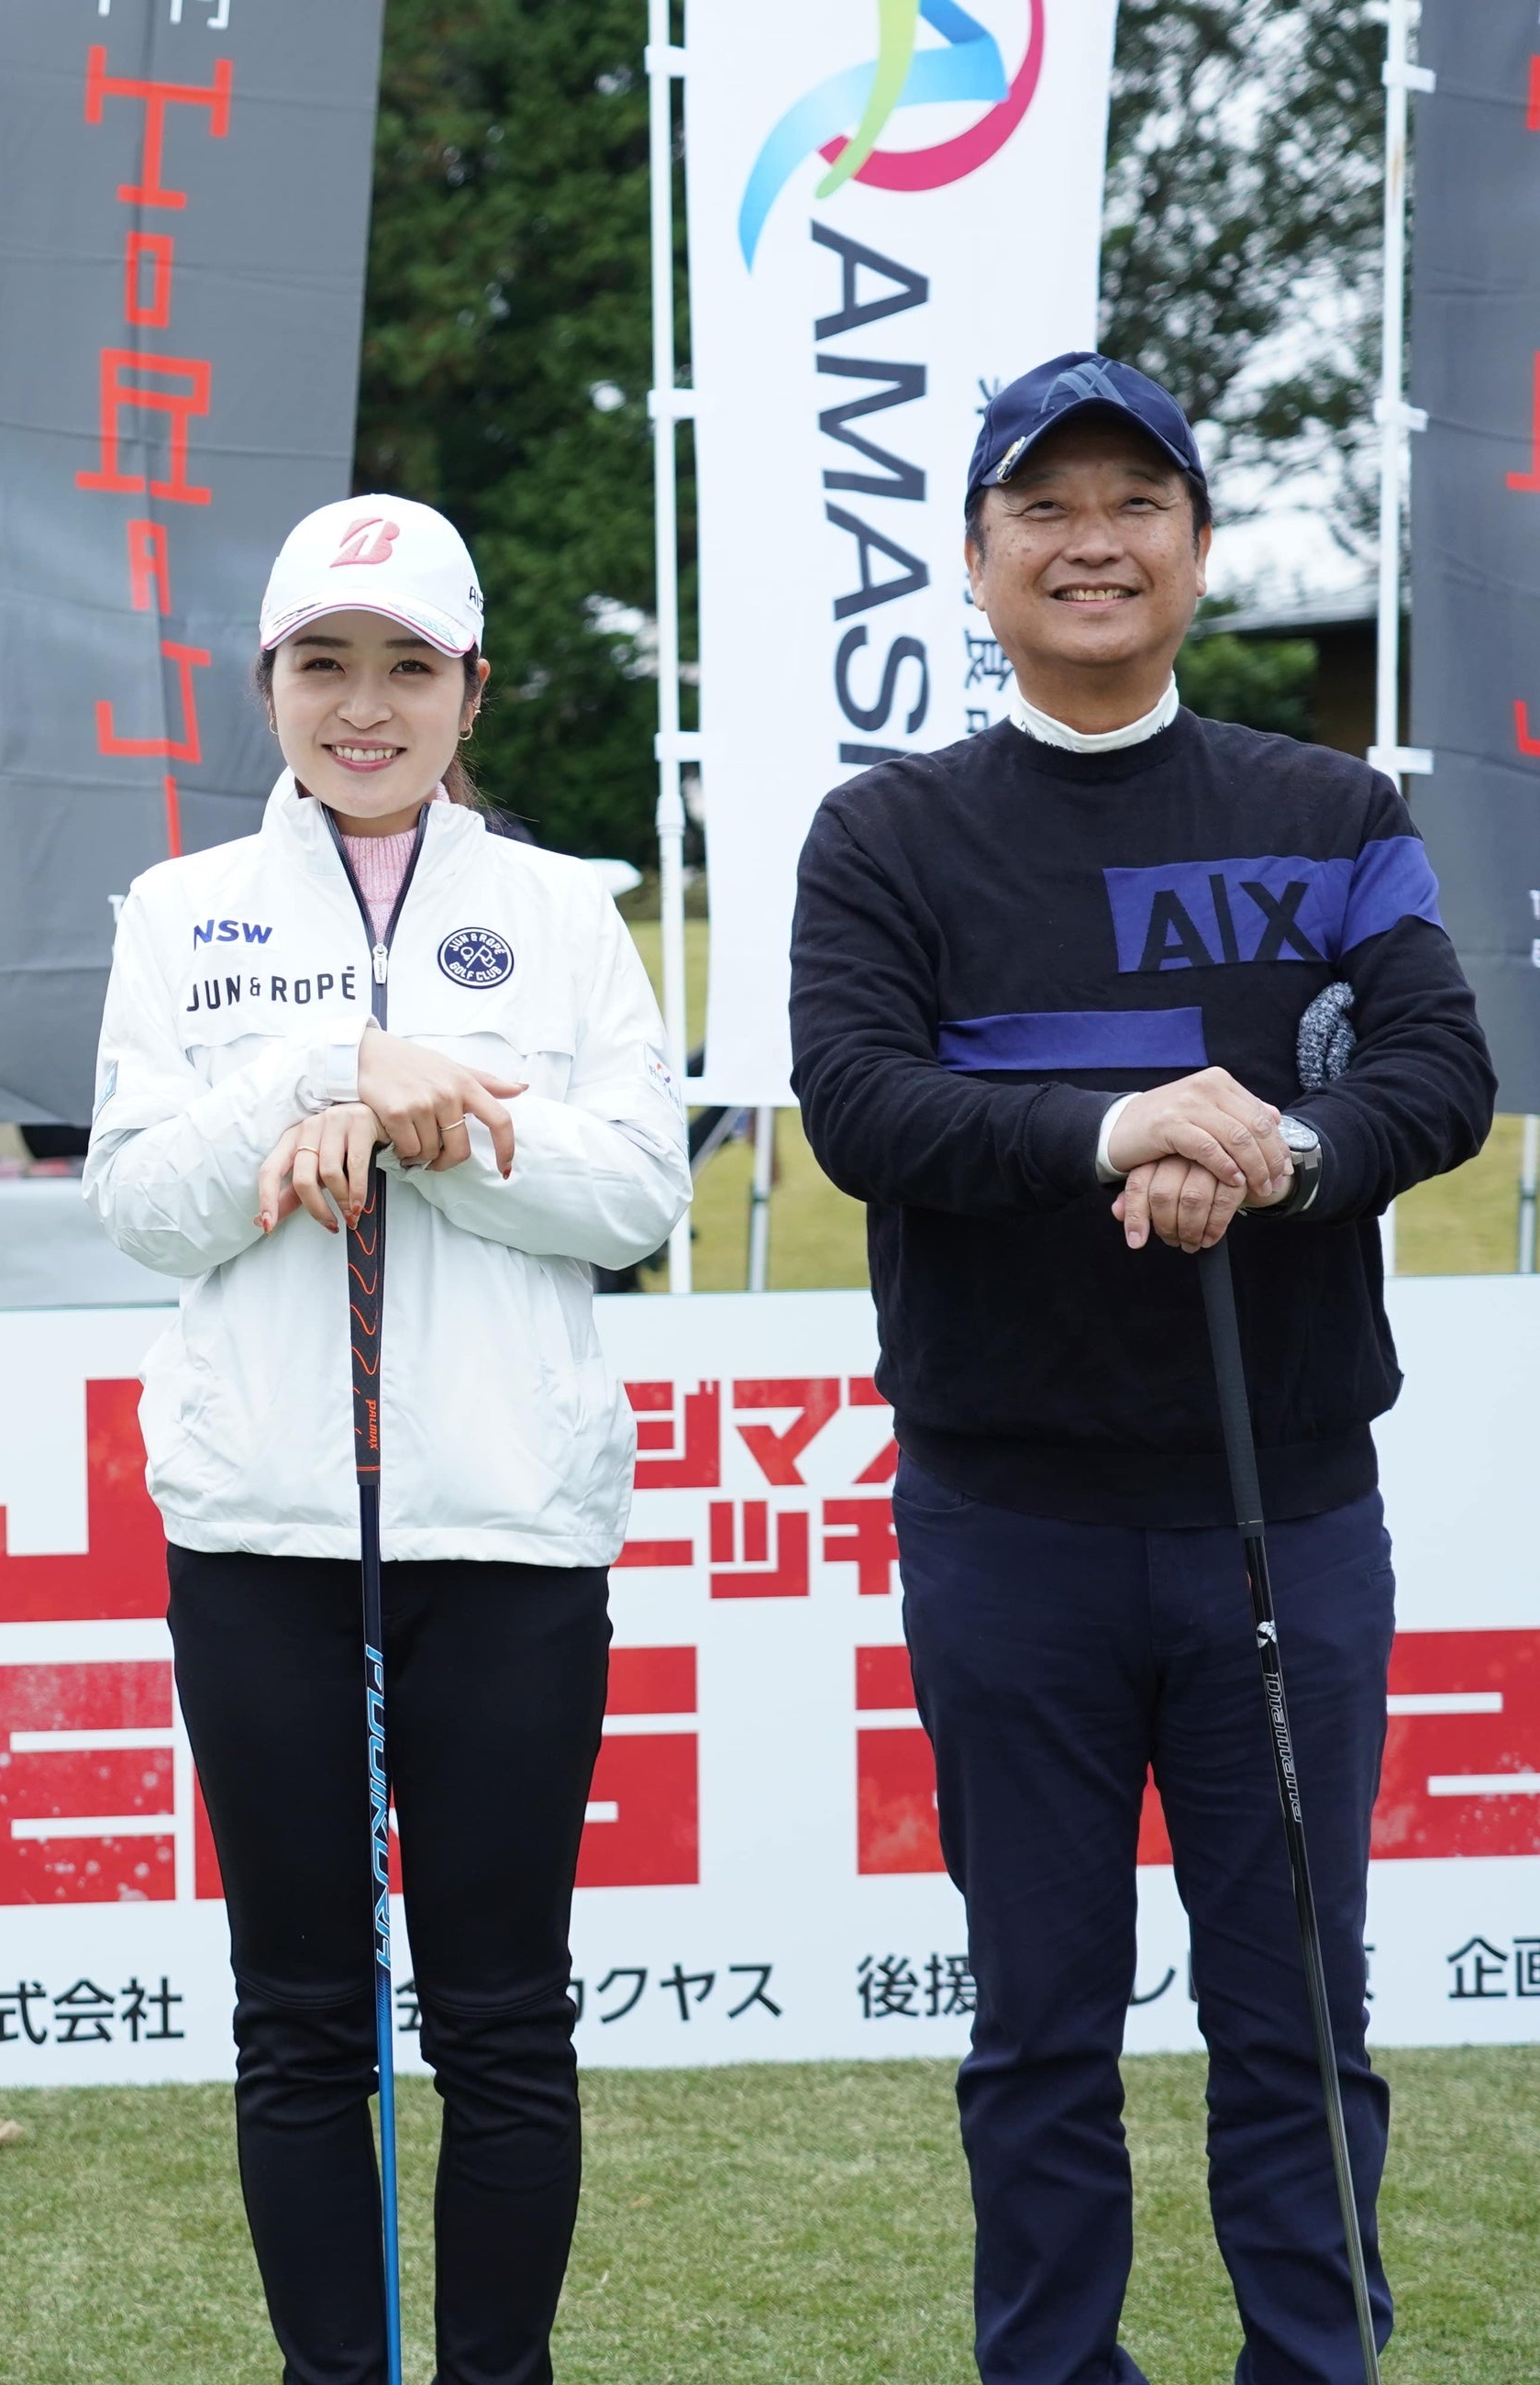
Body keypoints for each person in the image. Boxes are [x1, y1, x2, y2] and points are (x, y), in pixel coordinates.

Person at [790, 352, 1493, 2383]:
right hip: (1010, 1525)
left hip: (1289, 1518)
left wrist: (1277, 1154)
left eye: (1134, 504)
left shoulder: (1331, 812)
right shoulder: (886, 835)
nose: (1090, 543)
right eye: (1044, 507)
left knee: (1297, 2015)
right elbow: (862, 1105)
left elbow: (1440, 1074)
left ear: (1196, 546)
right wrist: (1119, 1130)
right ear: (974, 558)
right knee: (1039, 2023)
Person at [85, 494, 691, 2385]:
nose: (366, 705)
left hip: (507, 1536)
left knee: (503, 2018)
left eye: (409, 666)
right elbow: (143, 1208)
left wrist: (441, 1129)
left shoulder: (564, 911)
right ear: (267, 682)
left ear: (471, 690)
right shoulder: (180, 913)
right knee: (302, 2020)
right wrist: (321, 1069)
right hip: (260, 1536)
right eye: (325, 663)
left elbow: (638, 1195)